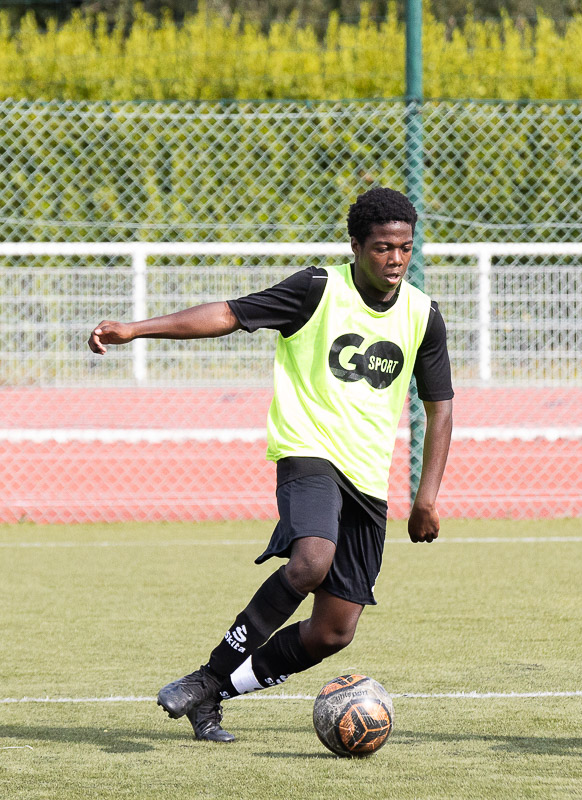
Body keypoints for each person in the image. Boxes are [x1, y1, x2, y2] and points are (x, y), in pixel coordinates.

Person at [88, 187, 454, 743]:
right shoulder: (317, 289)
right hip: (308, 451)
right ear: (356, 246)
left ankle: (213, 693)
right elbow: (229, 314)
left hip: (367, 479)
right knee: (311, 560)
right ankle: (206, 675)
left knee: (333, 632)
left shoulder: (423, 315)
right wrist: (136, 329)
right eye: (383, 247)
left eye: (405, 247)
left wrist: (426, 497)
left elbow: (440, 405)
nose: (396, 259)